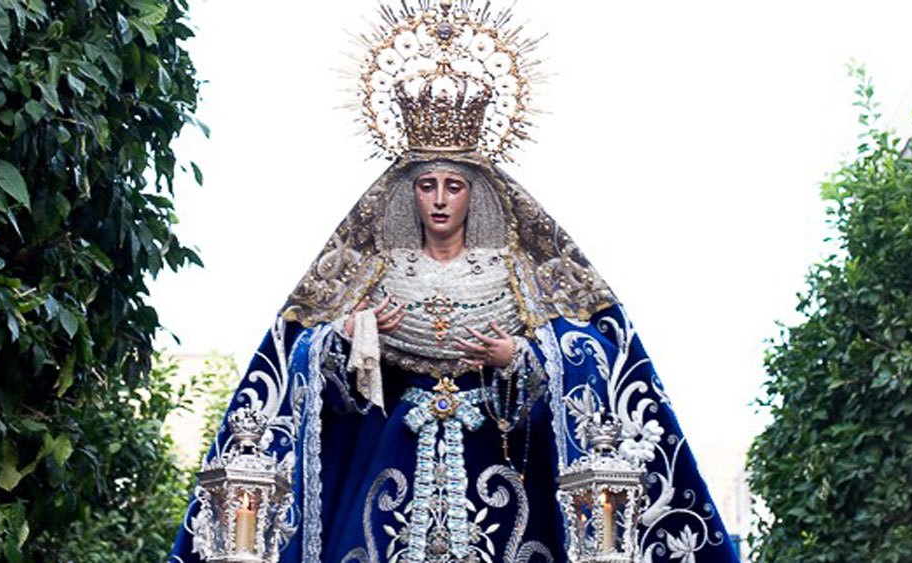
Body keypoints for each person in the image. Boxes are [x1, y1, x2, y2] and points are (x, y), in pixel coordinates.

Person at [170, 2, 739, 561]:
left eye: (454, 185)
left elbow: (599, 351)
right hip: (387, 469)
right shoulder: (371, 274)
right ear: (407, 193)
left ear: (478, 193)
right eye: (427, 185)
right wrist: (342, 338)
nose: (440, 199)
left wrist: (523, 353)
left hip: (501, 469)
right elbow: (298, 360)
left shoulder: (519, 275)